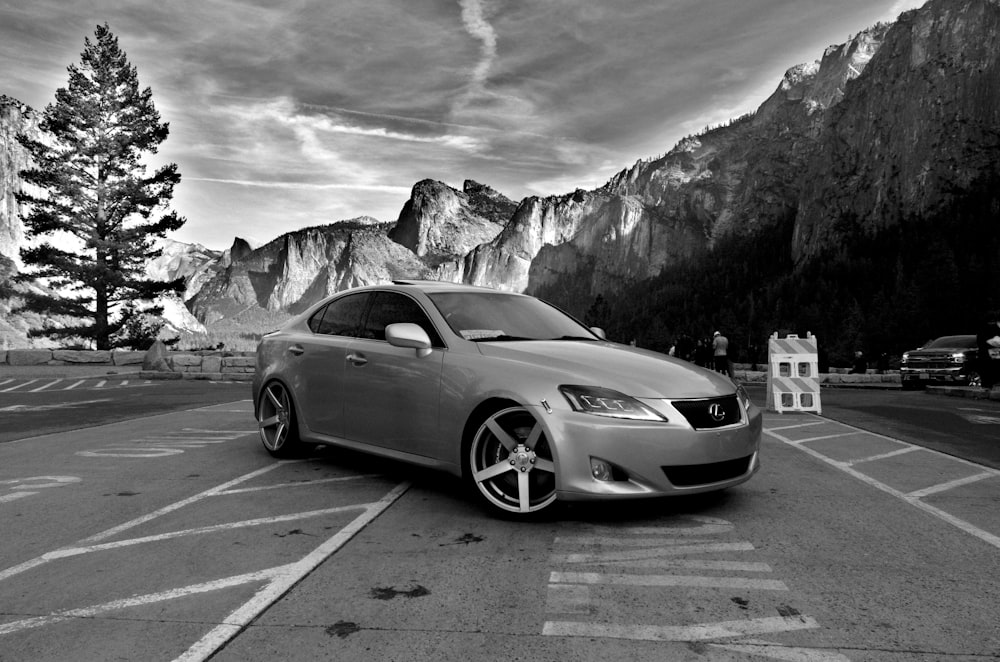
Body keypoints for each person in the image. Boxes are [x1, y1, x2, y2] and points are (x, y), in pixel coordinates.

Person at [976, 311, 1000, 389]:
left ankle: (987, 385)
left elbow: (980, 341)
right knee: (992, 368)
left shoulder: (983, 328)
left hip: (987, 352)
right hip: (992, 351)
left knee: (987, 369)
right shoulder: (994, 328)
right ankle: (990, 384)